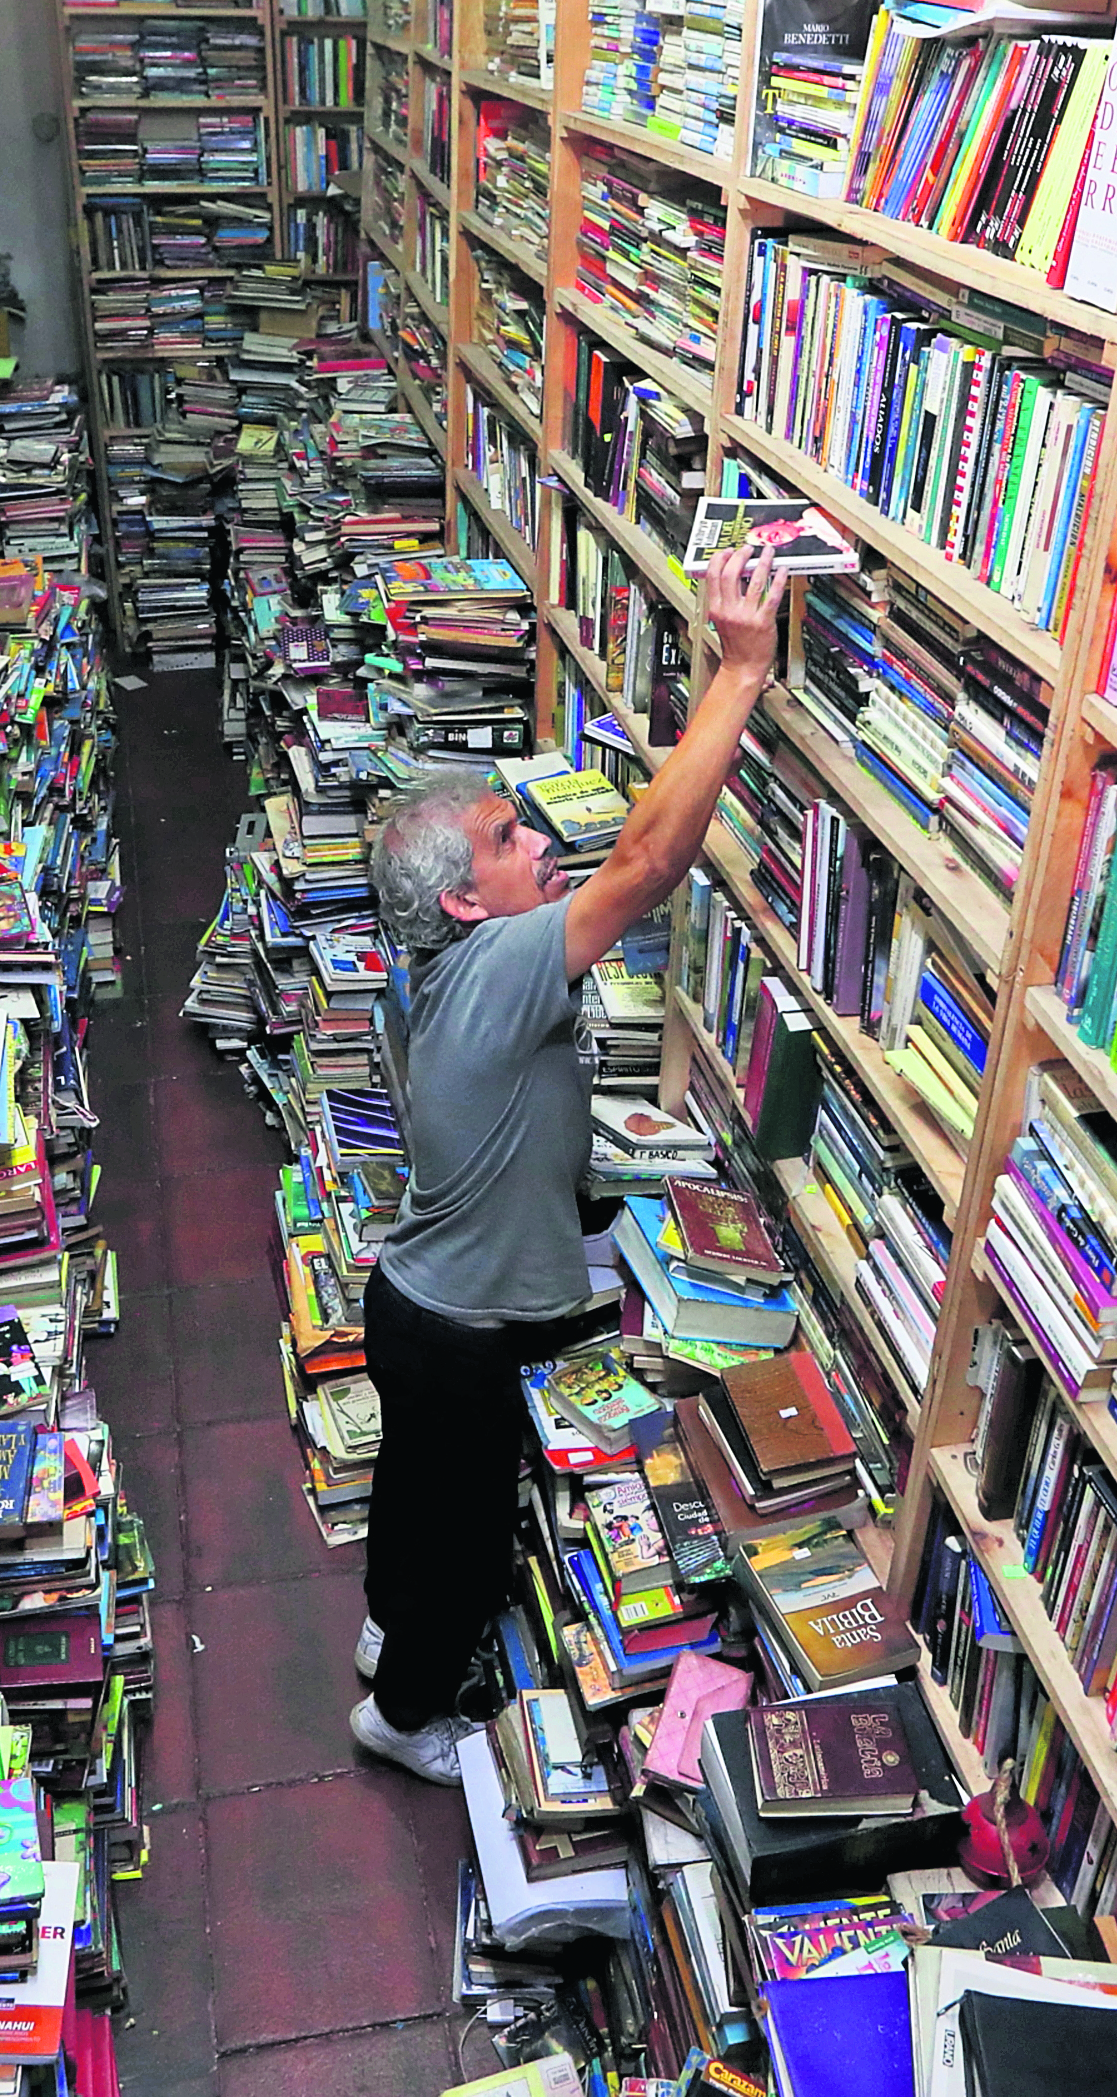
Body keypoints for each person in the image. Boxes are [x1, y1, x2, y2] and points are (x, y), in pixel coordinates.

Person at [347, 539, 788, 1784]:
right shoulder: (496, 969)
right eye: (506, 836)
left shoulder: (443, 966)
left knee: (411, 1501)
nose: (540, 839)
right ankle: (403, 1710)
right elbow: (648, 862)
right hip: (460, 1332)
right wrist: (738, 670)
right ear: (465, 904)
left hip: (415, 1302)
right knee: (465, 1546)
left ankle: (386, 1627)